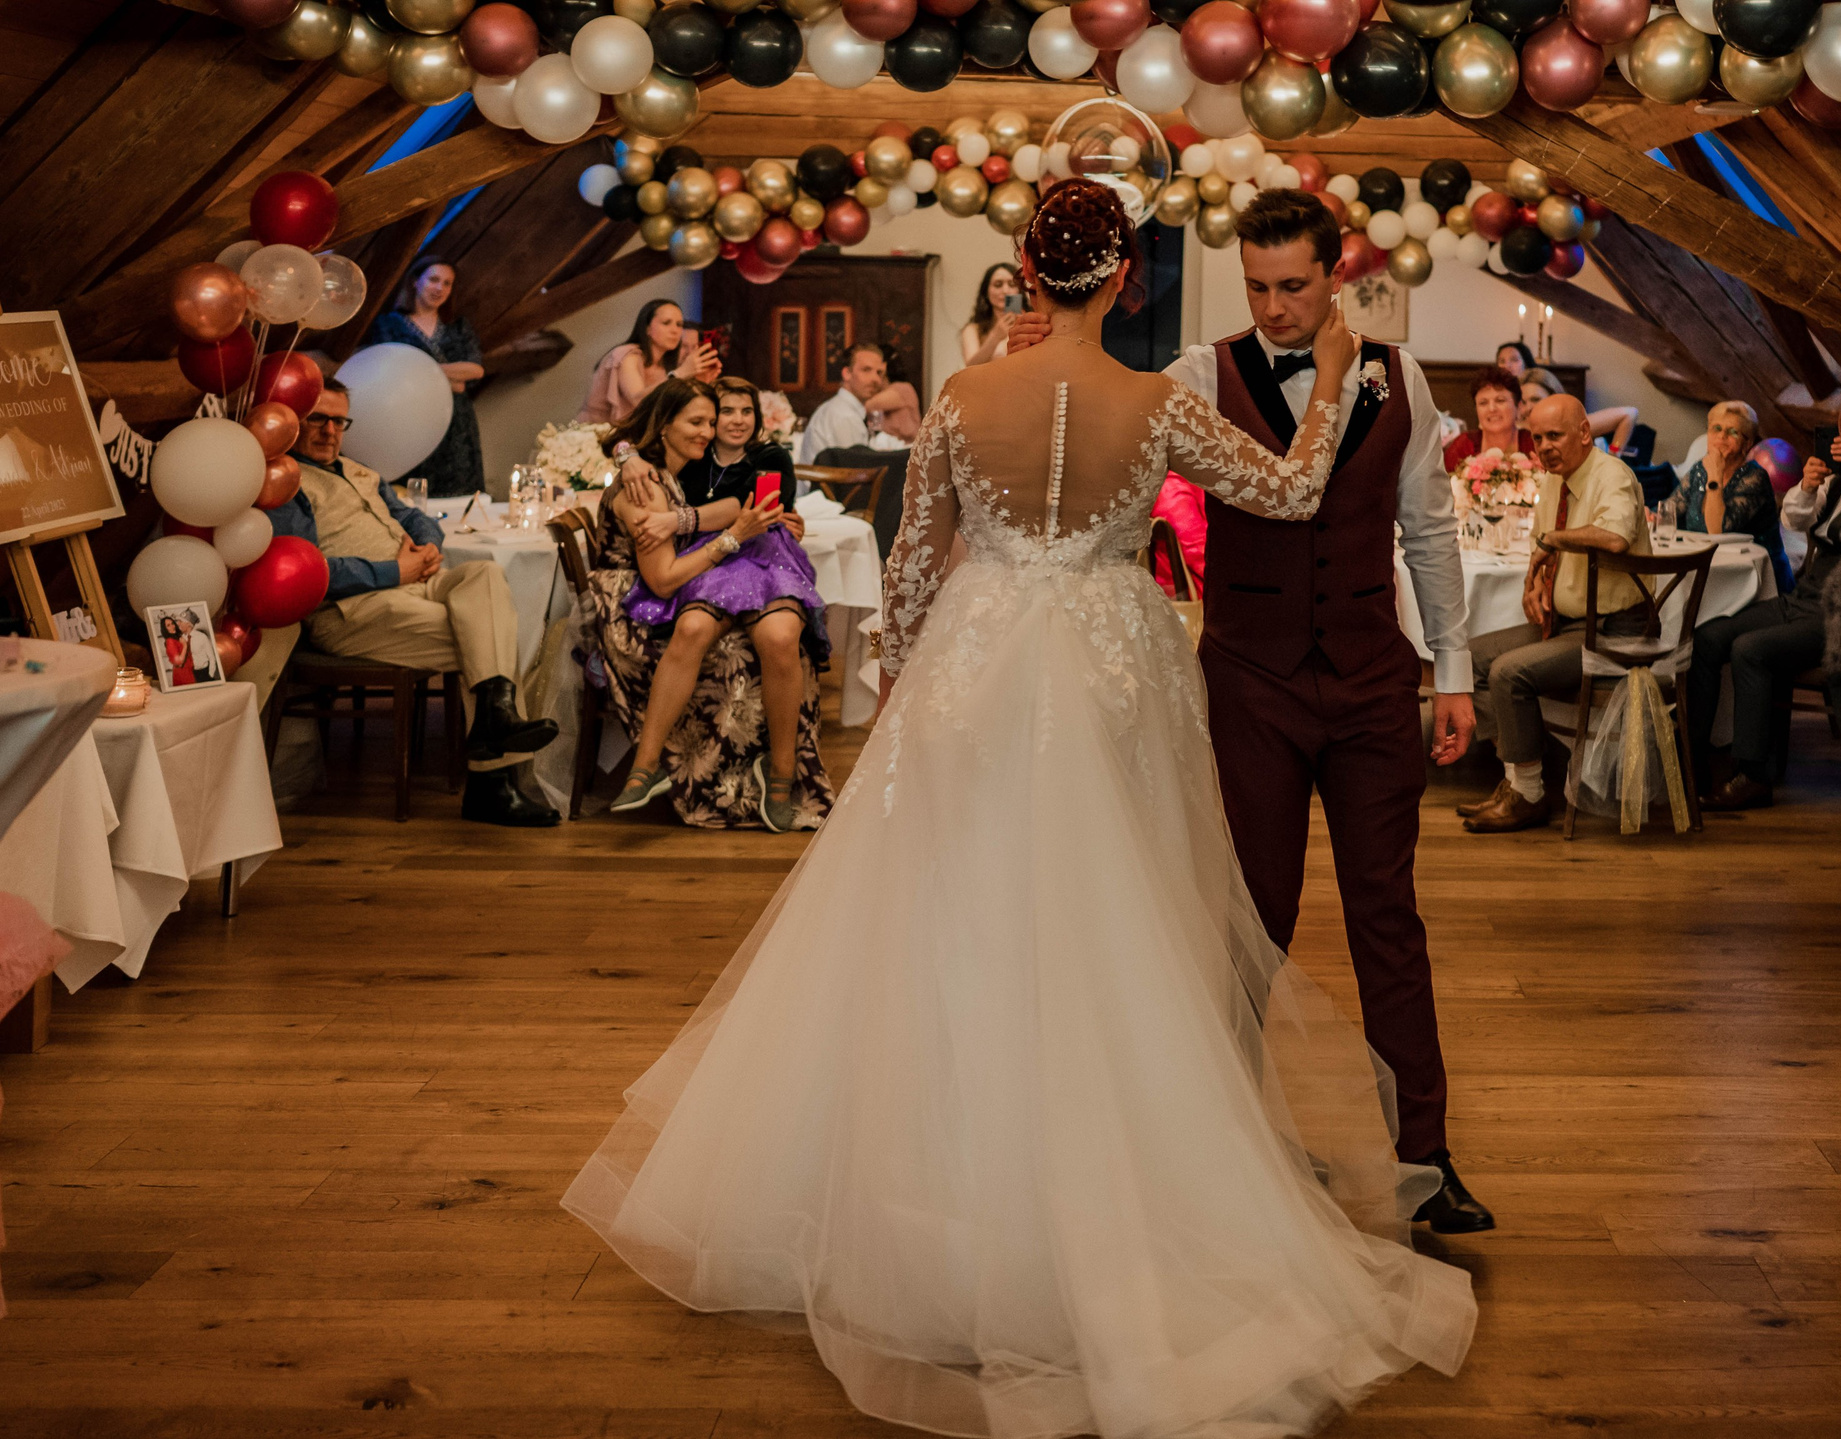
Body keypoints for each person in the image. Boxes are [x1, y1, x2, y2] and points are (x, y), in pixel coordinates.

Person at [565, 179, 1476, 1439]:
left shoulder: (959, 397)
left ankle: (944, 1204)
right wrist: (1327, 382)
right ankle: (1109, 1191)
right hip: (1105, 667)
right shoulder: (1158, 399)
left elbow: (911, 559)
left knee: (960, 923)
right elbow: (1290, 489)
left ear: (1028, 273)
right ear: (1125, 279)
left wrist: (901, 683)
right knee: (1108, 921)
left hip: (977, 666)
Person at [1016, 187, 1490, 1233]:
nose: (1274, 308)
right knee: (1248, 921)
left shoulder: (1401, 378)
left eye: (1294, 286)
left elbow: (1427, 529)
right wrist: (1039, 365)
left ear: (1336, 275)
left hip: (1371, 680)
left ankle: (1427, 1155)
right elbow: (1097, 439)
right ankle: (1219, 1148)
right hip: (1249, 685)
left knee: (1388, 917)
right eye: (1258, 287)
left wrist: (1452, 668)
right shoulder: (1198, 373)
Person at [262, 380, 560, 827]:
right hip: (353, 609)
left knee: (482, 576)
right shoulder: (287, 482)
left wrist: (428, 543)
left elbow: (413, 515)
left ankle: (494, 724)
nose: (330, 431)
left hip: (417, 583)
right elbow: (306, 573)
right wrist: (393, 572)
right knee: (491, 636)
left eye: (339, 421)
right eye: (318, 419)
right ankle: (492, 782)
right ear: (293, 422)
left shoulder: (359, 470)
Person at [597, 377, 828, 831]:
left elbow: (747, 506)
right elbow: (625, 435)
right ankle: (645, 767)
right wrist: (628, 456)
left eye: (745, 412)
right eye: (714, 417)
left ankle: (781, 773)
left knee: (780, 638)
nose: (715, 427)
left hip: (760, 556)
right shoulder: (680, 463)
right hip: (708, 563)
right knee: (692, 629)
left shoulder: (766, 457)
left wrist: (677, 519)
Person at [1689, 436, 1841, 811]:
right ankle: (1693, 759)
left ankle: (1754, 777)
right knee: (1707, 638)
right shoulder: (1839, 483)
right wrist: (1808, 487)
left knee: (1750, 650)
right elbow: (1792, 520)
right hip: (1806, 595)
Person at [1460, 392, 1653, 834]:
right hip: (1567, 623)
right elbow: (1541, 544)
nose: (1544, 447)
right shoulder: (1553, 481)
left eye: (1555, 436)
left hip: (1615, 631)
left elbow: (1615, 538)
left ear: (1584, 433)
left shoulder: (1611, 474)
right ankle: (1519, 783)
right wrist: (1536, 585)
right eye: (1537, 438)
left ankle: (1529, 796)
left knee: (1509, 672)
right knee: (1469, 658)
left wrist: (1555, 541)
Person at [369, 257, 488, 498]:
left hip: (457, 422)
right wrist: (453, 377)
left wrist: (421, 368)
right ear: (415, 281)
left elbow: (476, 370)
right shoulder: (389, 324)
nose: (439, 288)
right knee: (414, 494)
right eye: (434, 280)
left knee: (461, 494)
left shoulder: (458, 326)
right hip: (411, 417)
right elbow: (393, 371)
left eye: (447, 283)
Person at [1676, 400, 1787, 583]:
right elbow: (1671, 509)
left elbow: (1717, 531)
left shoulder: (1755, 477)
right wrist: (1652, 515)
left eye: (1733, 432)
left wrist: (1715, 476)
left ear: (1747, 443)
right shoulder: (1699, 470)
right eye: (1716, 428)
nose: (1722, 436)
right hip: (1706, 568)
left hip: (1750, 577)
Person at [579, 298, 721, 426]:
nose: (675, 330)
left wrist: (701, 382)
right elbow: (638, 401)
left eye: (679, 324)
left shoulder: (666, 366)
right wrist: (680, 374)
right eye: (666, 323)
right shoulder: (627, 355)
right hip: (593, 433)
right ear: (647, 328)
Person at [795, 342, 918, 463]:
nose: (876, 379)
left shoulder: (846, 410)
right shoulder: (843, 415)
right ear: (847, 373)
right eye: (866, 370)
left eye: (879, 373)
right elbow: (857, 470)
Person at [1519, 366, 1637, 457]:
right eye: (1523, 402)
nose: (1528, 408)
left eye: (1536, 400)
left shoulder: (1573, 425)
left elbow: (1629, 413)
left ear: (1554, 397)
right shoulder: (1516, 429)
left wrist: (1614, 454)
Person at [1442, 367, 1535, 472]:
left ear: (1519, 406)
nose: (1492, 409)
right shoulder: (1464, 447)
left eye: (1500, 400)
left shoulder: (1533, 444)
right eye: (1483, 403)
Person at [957, 260, 1023, 366]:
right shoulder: (973, 330)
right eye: (998, 285)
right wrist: (995, 336)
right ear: (986, 292)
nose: (1005, 290)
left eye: (1011, 284)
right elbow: (970, 368)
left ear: (1019, 291)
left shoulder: (1028, 323)